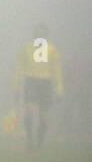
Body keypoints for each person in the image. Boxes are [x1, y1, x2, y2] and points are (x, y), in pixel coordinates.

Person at [13, 24, 63, 152]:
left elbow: (56, 71)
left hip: (45, 82)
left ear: (46, 36)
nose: (39, 37)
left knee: (43, 116)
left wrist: (59, 89)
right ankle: (29, 141)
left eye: (42, 34)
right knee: (29, 110)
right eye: (37, 34)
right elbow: (20, 68)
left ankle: (39, 141)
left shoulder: (52, 50)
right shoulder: (26, 48)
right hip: (31, 81)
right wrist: (17, 86)